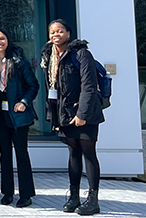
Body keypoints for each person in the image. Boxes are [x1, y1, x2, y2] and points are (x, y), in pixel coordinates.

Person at [42, 19, 104, 215]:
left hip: (85, 113)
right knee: (73, 154)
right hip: (65, 114)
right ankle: (74, 197)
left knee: (88, 153)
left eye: (60, 31)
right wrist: (54, 118)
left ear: (68, 33)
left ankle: (93, 200)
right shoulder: (50, 56)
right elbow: (52, 90)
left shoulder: (81, 54)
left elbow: (89, 86)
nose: (55, 35)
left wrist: (82, 115)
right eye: (52, 32)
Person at [0, 27, 38, 208]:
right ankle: (7, 193)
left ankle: (26, 194)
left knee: (21, 154)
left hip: (18, 113)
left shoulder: (19, 61)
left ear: (8, 40)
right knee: (4, 154)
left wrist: (24, 101)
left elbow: (33, 85)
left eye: (2, 39)